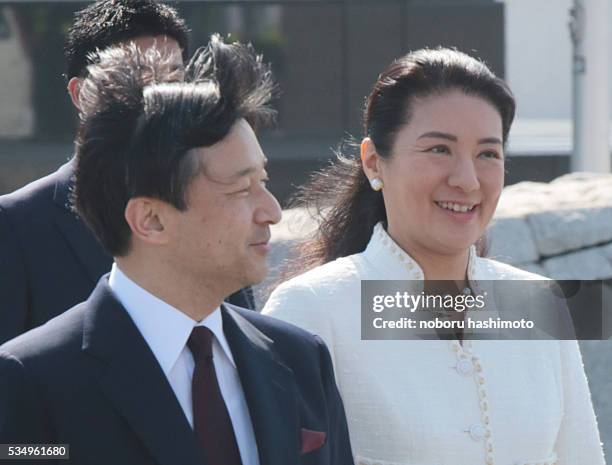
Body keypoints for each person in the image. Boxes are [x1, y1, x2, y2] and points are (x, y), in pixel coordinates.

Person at [0, 37, 353, 465]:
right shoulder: (33, 381)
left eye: (264, 181)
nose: (273, 212)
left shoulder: (300, 360)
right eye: (242, 189)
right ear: (151, 220)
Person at [263, 48, 605, 465]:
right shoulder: (311, 309)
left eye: (488, 154)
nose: (467, 180)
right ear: (374, 162)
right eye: (439, 150)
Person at [0, 0, 254, 345]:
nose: (158, 101)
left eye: (174, 82)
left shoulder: (215, 208)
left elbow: (246, 341)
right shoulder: (17, 225)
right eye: (137, 82)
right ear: (80, 93)